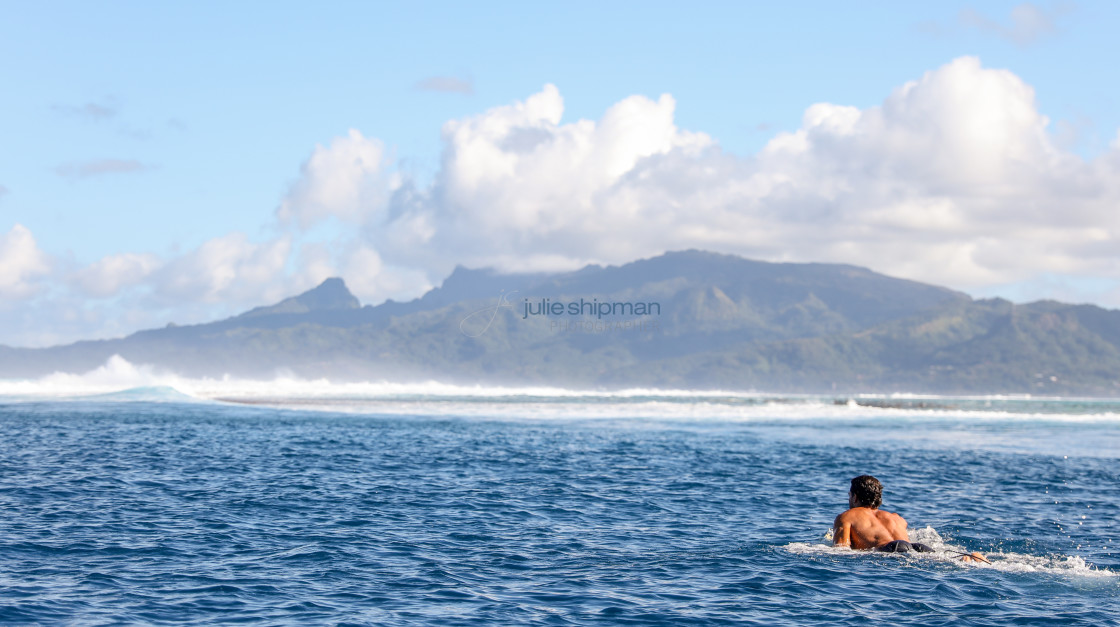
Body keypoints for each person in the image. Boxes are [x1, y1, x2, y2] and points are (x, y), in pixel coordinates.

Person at [833, 475, 985, 562]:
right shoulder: (896, 518)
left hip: (890, 549)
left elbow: (841, 550)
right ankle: (971, 557)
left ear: (855, 497)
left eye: (849, 495)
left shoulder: (846, 517)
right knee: (942, 559)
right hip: (916, 546)